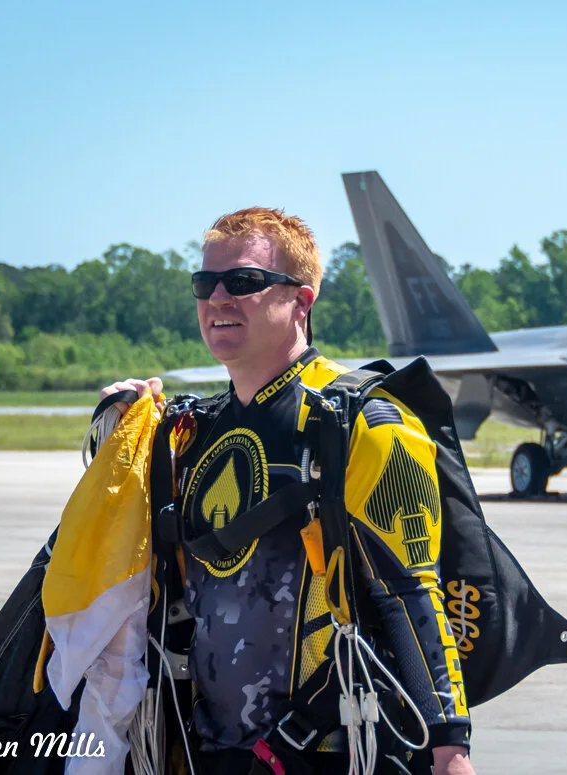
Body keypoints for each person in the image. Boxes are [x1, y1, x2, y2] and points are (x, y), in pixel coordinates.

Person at [101, 207, 475, 775]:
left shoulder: (364, 422)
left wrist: (450, 746)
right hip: (205, 751)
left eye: (245, 282)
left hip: (328, 750)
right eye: (205, 283)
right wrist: (124, 431)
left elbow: (412, 593)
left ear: (301, 302)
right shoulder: (188, 433)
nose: (218, 298)